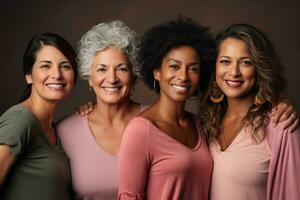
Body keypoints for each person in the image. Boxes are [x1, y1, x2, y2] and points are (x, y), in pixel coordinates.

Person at [117, 17, 215, 200]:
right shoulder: (140, 131)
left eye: (193, 69)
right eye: (174, 66)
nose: (183, 76)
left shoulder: (199, 124)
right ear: (157, 72)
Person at [201, 24, 300, 200]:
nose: (234, 72)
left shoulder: (280, 124)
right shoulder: (208, 121)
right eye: (225, 61)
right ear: (214, 68)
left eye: (246, 62)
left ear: (259, 69)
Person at [56, 20, 142, 200]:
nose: (111, 79)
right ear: (89, 76)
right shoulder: (66, 131)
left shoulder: (156, 121)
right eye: (102, 69)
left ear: (133, 76)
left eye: (121, 69)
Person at [0, 33, 77, 199]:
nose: (57, 74)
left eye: (65, 66)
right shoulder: (20, 121)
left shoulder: (55, 129)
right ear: (28, 75)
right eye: (45, 66)